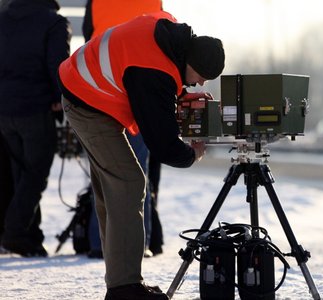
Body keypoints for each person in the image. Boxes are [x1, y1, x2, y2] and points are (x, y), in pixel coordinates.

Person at [58, 11, 224, 299]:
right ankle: (124, 288)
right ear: (191, 62)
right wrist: (193, 154)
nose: (198, 85)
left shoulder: (169, 32)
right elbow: (162, 143)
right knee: (129, 182)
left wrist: (177, 93)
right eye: (199, 78)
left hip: (83, 86)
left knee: (114, 188)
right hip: (87, 102)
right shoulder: (153, 71)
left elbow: (146, 77)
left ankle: (121, 282)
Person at [82, 0, 164, 259]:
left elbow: (88, 35)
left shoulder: (96, 1)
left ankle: (100, 242)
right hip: (136, 90)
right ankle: (140, 244)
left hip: (99, 88)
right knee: (138, 172)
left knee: (103, 172)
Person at [0, 0, 70, 257]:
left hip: (4, 109)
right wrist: (59, 99)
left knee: (21, 173)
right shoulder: (53, 22)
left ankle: (30, 236)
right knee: (35, 173)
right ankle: (16, 232)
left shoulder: (4, 17)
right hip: (35, 106)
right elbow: (58, 65)